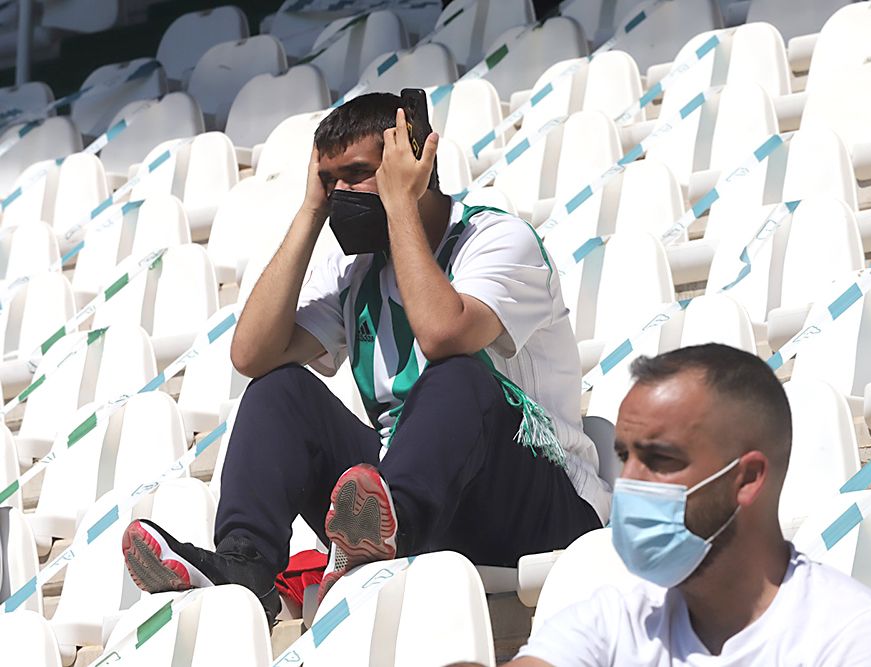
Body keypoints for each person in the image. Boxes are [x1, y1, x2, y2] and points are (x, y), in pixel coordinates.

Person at [118, 93, 608, 624]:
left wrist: (400, 203)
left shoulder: (496, 240)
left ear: (414, 163)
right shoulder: (356, 272)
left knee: (459, 374)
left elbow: (443, 334)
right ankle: (248, 567)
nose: (342, 194)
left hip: (542, 505)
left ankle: (385, 528)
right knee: (278, 390)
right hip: (418, 504)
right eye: (331, 181)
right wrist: (311, 212)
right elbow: (251, 354)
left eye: (357, 174)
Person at [500, 344, 871, 666]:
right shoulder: (614, 621)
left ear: (746, 479)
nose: (628, 482)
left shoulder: (860, 639)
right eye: (625, 457)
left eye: (660, 460)